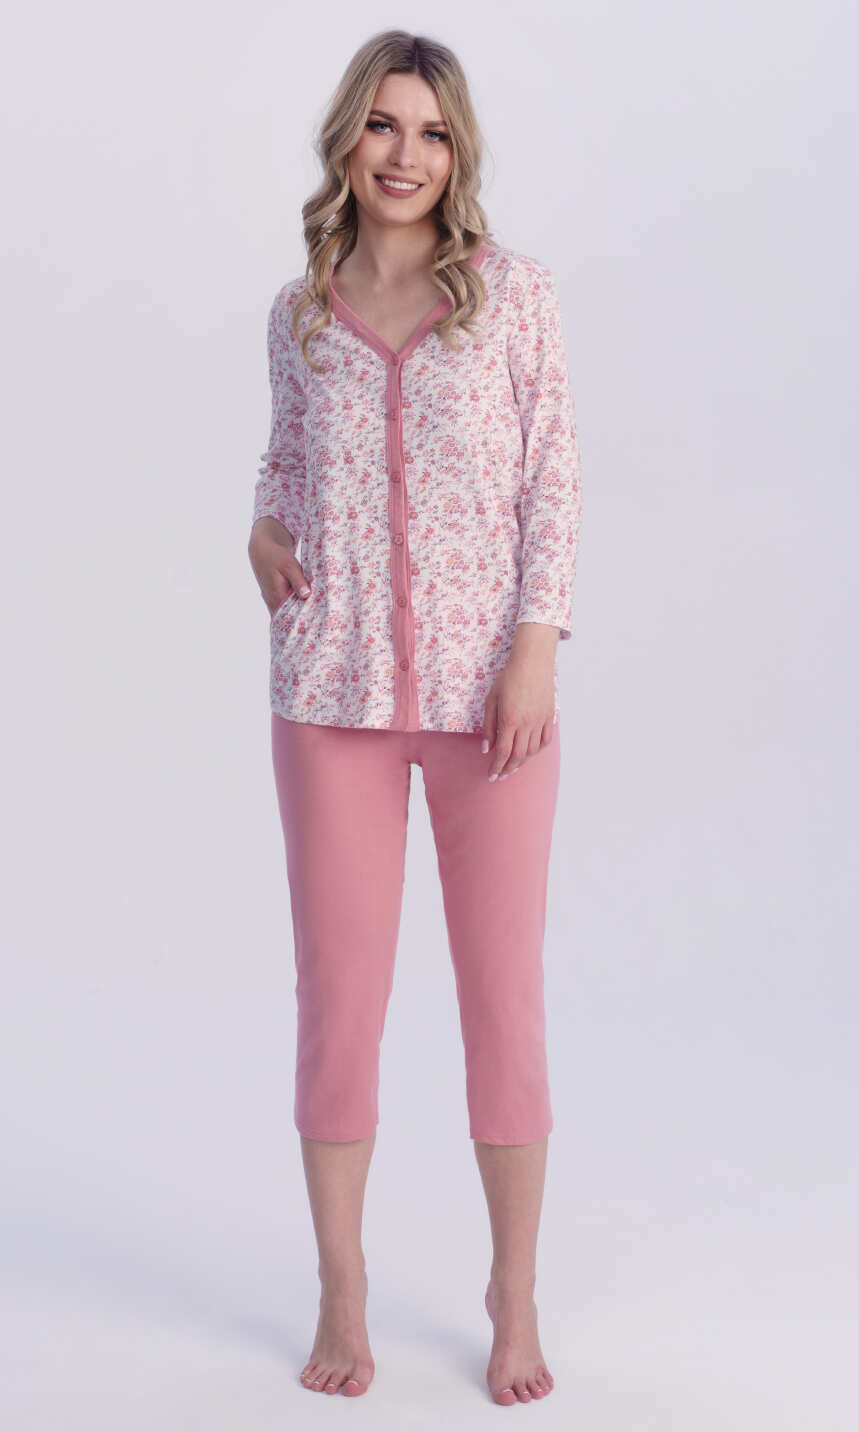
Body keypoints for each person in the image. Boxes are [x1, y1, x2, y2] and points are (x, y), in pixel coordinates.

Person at [247, 29, 582, 1407]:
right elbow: (284, 459)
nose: (405, 155)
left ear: (459, 153)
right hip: (329, 696)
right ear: (348, 137)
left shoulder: (514, 295)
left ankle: (515, 1290)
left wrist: (536, 647)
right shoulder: (301, 311)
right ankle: (343, 1283)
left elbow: (553, 479)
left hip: (489, 700)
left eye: (432, 132)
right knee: (340, 1003)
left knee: (503, 999)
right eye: (384, 125)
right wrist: (261, 531)